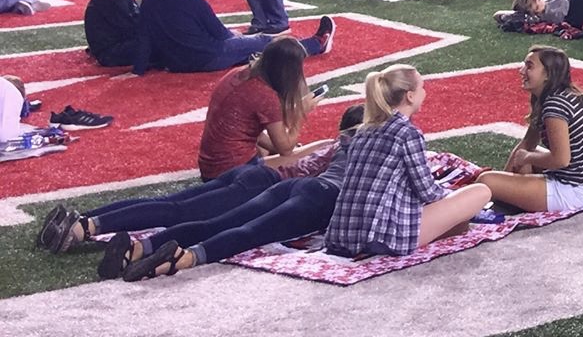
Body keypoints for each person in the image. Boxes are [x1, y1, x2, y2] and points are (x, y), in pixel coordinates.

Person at [64, 104, 370, 281]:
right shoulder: (380, 144)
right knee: (246, 231)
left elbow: (290, 157)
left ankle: (123, 240)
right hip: (305, 191)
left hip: (274, 180)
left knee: (190, 212)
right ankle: (180, 259)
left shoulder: (336, 144)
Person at [326, 65, 493, 256]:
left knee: (457, 221)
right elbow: (428, 192)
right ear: (410, 96)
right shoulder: (407, 133)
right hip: (384, 236)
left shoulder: (363, 131)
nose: (425, 92)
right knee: (481, 192)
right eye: (422, 87)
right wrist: (451, 194)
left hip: (341, 234)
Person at [133, 0, 334, 75]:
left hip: (175, 62)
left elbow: (144, 38)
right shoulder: (194, 2)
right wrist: (237, 36)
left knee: (251, 48)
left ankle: (252, 53)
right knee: (268, 42)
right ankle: (316, 44)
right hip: (209, 56)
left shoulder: (148, 2)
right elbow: (220, 35)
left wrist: (138, 70)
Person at [476, 47, 583, 212]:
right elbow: (527, 143)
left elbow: (561, 160)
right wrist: (509, 176)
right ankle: (516, 200)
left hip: (578, 190)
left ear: (548, 74)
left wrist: (526, 159)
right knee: (520, 160)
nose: (521, 70)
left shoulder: (555, 105)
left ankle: (514, 202)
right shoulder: (555, 96)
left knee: (485, 182)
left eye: (529, 66)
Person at [193, 36, 318, 180]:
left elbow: (248, 129)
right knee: (322, 150)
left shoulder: (238, 73)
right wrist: (300, 114)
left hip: (210, 168)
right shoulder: (265, 94)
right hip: (234, 173)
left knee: (268, 147)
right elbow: (286, 149)